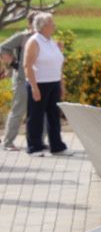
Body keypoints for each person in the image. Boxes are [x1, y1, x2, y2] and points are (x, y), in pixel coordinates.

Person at [22, 11, 66, 156]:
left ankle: (57, 145)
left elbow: (57, 64)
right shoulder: (34, 41)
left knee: (54, 115)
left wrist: (61, 84)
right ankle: (34, 147)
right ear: (44, 26)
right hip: (39, 83)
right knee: (36, 116)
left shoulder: (52, 42)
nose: (54, 25)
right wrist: (34, 87)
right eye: (51, 23)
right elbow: (27, 66)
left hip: (53, 83)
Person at [1, 24, 30, 150]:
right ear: (30, 24)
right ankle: (7, 143)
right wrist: (14, 63)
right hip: (21, 80)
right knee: (18, 111)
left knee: (38, 112)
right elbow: (3, 47)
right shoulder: (22, 36)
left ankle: (36, 141)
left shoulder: (42, 38)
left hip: (38, 80)